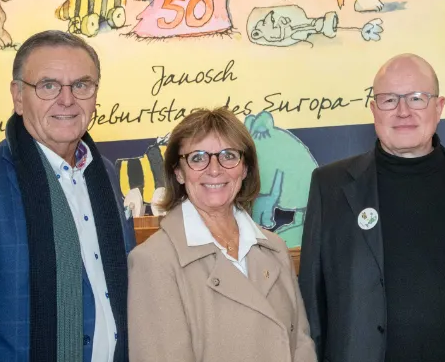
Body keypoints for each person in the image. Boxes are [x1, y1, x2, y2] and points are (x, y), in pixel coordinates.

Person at [0, 30, 136, 362]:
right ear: (18, 96)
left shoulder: (104, 174)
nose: (67, 100)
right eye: (48, 86)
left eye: (81, 85)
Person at [298, 54, 445, 362]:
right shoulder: (330, 187)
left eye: (417, 98)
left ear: (439, 107)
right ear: (373, 110)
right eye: (389, 100)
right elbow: (311, 306)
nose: (403, 111)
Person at [128, 108, 315, 362]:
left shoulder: (275, 248)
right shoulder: (154, 261)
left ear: (245, 168)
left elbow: (301, 344)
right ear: (178, 172)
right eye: (197, 158)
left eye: (228, 155)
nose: (214, 169)